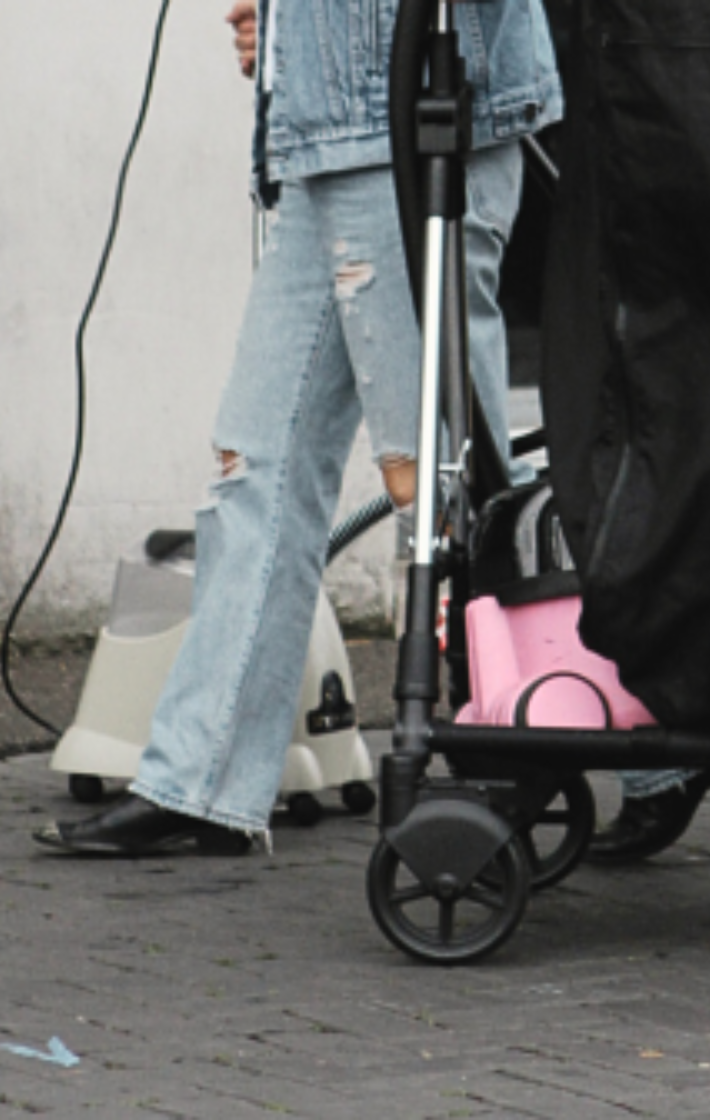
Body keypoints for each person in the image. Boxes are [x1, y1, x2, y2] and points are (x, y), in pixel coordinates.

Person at [34, 0, 560, 856]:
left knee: (443, 487)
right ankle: (202, 781)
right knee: (257, 471)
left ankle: (566, 739)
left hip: (414, 142)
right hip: (327, 146)